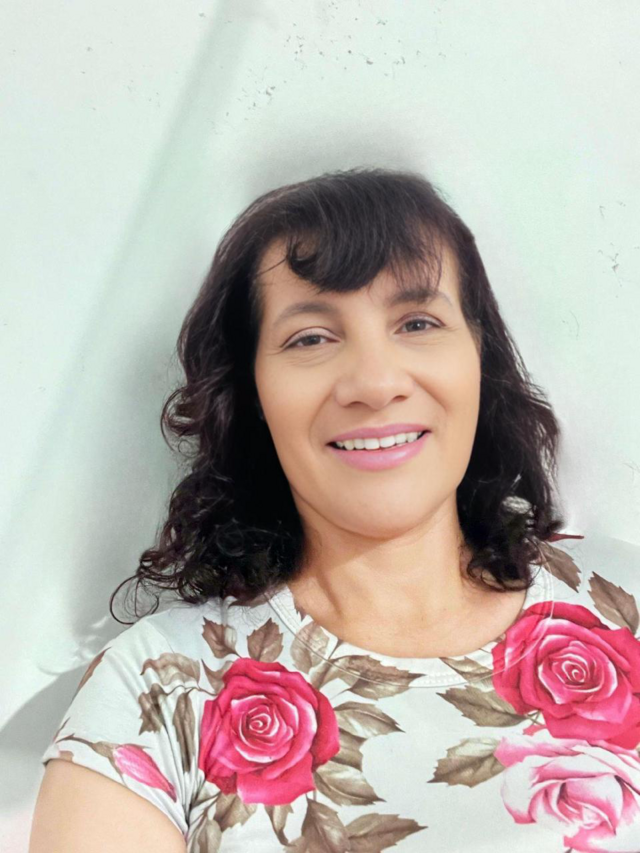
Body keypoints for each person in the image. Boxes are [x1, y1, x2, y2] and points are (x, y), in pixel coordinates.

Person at [30, 168, 640, 852]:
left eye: (417, 322)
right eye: (311, 338)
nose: (375, 383)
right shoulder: (158, 690)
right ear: (253, 394)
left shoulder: (626, 597)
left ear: (479, 358)